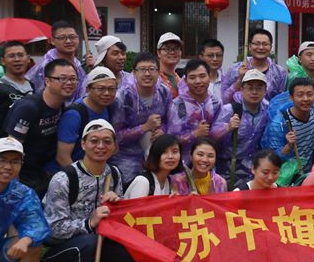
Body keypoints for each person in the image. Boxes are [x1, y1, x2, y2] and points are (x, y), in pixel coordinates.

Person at [40, 120, 144, 262]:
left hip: (98, 245)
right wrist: (89, 223)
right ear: (83, 144)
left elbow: (116, 221)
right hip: (60, 250)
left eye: (107, 141)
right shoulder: (63, 179)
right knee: (89, 242)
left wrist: (116, 205)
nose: (100, 146)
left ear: (114, 147)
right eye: (94, 141)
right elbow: (53, 230)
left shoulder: (113, 174)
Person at [120, 133, 182, 262]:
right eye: (165, 152)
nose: (170, 156)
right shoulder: (143, 181)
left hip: (152, 237)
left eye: (175, 151)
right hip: (130, 239)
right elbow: (134, 219)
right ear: (155, 155)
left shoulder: (168, 182)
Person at [4, 57, 75, 197]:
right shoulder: (28, 107)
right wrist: (14, 187)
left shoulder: (61, 105)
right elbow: (12, 146)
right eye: (62, 79)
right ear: (47, 81)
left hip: (44, 172)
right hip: (24, 176)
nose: (69, 83)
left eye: (73, 79)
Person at [113, 52, 170, 184]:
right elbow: (116, 136)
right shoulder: (123, 98)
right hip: (127, 159)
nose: (147, 74)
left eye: (152, 69)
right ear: (134, 73)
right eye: (142, 69)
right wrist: (144, 127)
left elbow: (169, 121)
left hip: (157, 155)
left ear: (158, 72)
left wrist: (163, 130)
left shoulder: (164, 92)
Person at [212, 67, 270, 188]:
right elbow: (211, 135)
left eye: (259, 88)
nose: (254, 92)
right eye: (250, 88)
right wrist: (227, 127)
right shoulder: (230, 110)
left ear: (265, 91)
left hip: (254, 169)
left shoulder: (268, 110)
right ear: (242, 89)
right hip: (229, 168)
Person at [56, 67, 118, 168]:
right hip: (70, 171)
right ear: (88, 89)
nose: (106, 93)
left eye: (111, 89)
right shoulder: (74, 115)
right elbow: (63, 157)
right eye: (100, 89)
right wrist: (82, 176)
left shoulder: (109, 108)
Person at [264, 78, 314, 185]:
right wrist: (288, 146)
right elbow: (272, 158)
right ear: (291, 98)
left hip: (311, 174)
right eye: (300, 95)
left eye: (309, 94)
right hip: (287, 178)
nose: (305, 99)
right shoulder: (279, 123)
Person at [167, 59, 223, 160]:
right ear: (185, 81)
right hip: (182, 162)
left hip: (208, 161)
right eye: (192, 77)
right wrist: (194, 134)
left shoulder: (216, 103)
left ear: (209, 77)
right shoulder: (178, 105)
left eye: (202, 76)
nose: (198, 81)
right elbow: (171, 140)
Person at [27, 19, 88, 100]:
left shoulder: (78, 64)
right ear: (52, 41)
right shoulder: (45, 65)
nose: (68, 41)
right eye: (62, 37)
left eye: (72, 37)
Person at [221, 27, 287, 99]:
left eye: (265, 44)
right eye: (256, 44)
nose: (261, 47)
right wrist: (240, 80)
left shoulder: (279, 73)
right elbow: (225, 99)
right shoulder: (235, 69)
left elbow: (282, 99)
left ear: (271, 47)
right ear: (249, 47)